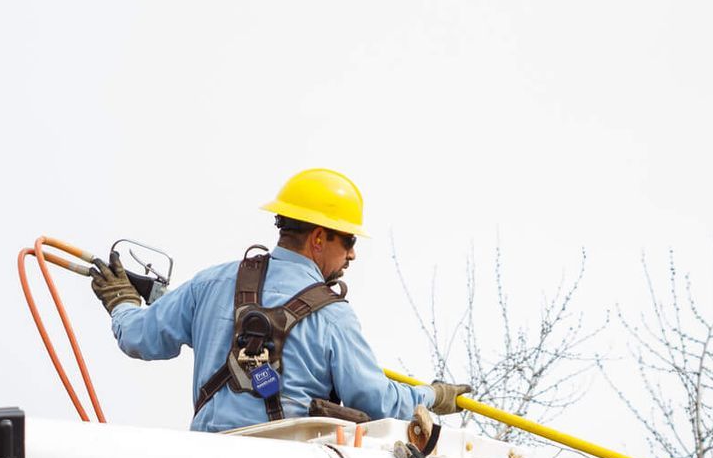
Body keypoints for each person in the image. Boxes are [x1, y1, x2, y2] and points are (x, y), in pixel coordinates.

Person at [90, 168, 469, 432]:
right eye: (349, 241)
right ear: (319, 238)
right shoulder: (333, 317)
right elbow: (377, 402)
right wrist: (433, 396)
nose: (352, 255)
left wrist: (121, 302)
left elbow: (139, 336)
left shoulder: (210, 284)